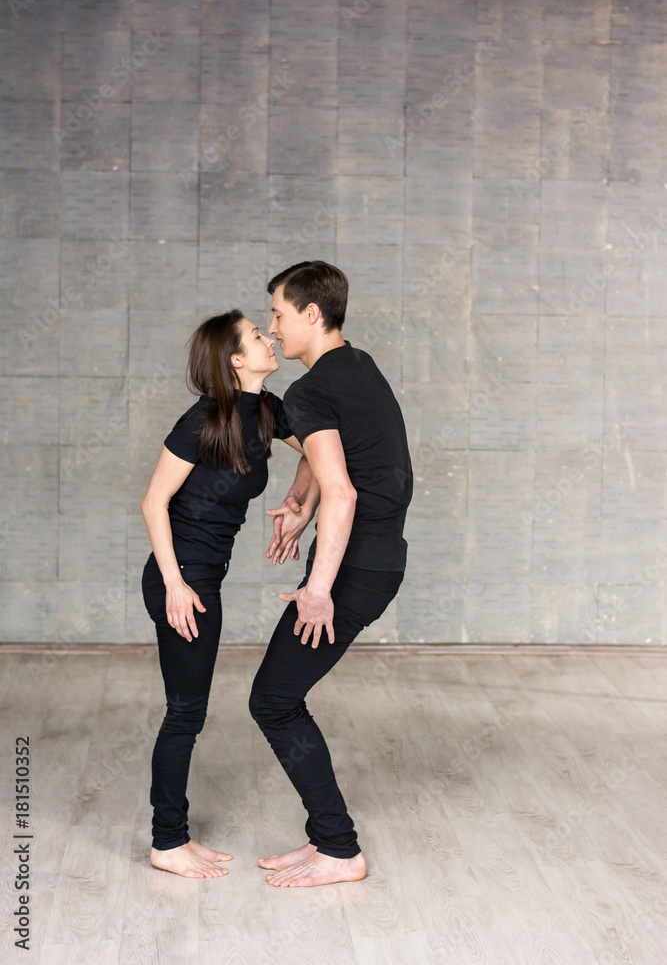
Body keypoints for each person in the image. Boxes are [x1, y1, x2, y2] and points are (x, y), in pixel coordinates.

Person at [250, 260, 413, 888]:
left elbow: (341, 490)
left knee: (273, 699)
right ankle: (327, 840)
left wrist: (317, 590)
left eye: (279, 314)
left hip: (354, 570)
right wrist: (299, 503)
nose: (274, 328)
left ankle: (340, 850)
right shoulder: (355, 367)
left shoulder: (308, 390)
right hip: (379, 561)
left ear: (311, 314)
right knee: (280, 696)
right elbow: (328, 457)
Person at [141, 310, 316, 879]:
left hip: (205, 576)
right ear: (237, 359)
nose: (269, 336)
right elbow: (153, 503)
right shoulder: (202, 420)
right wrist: (173, 584)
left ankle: (171, 836)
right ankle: (167, 841)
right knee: (185, 714)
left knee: (189, 712)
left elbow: (318, 453)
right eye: (256, 335)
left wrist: (300, 505)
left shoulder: (268, 409)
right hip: (182, 579)